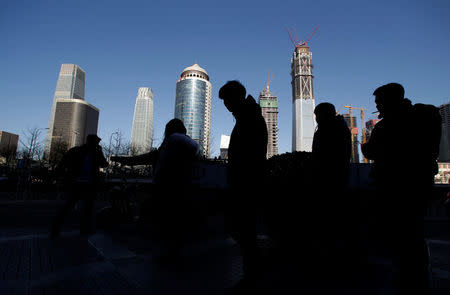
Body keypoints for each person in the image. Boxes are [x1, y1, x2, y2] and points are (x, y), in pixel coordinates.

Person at [362, 83, 439, 295]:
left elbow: (373, 151)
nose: (377, 106)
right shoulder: (423, 117)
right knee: (414, 232)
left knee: (401, 234)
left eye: (379, 102)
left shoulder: (388, 125)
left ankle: (407, 279)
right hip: (419, 184)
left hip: (394, 187)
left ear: (389, 100)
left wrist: (365, 147)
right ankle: (418, 275)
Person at [112, 119, 199, 261]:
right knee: (171, 221)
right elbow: (194, 148)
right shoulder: (176, 145)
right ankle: (171, 251)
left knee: (165, 220)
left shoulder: (172, 142)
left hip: (165, 188)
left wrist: (123, 160)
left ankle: (168, 252)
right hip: (178, 188)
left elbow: (145, 158)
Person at [219, 80, 268, 292]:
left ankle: (254, 274)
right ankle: (254, 272)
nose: (226, 106)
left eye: (227, 101)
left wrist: (240, 178)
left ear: (236, 97)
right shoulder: (248, 116)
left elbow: (249, 154)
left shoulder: (249, 118)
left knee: (242, 228)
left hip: (246, 182)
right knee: (243, 229)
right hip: (246, 181)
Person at [311, 102, 352, 268]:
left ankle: (329, 257)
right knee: (334, 220)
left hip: (329, 181)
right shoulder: (339, 128)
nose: (316, 119)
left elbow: (323, 156)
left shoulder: (329, 130)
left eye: (318, 115)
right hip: (336, 179)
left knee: (329, 219)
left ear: (324, 114)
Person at [50, 134, 107, 237]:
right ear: (93, 142)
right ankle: (82, 229)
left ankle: (59, 228)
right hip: (83, 183)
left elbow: (103, 164)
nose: (97, 144)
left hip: (82, 183)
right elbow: (104, 164)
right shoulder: (87, 152)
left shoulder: (82, 151)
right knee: (81, 207)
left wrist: (59, 174)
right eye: (96, 142)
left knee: (76, 207)